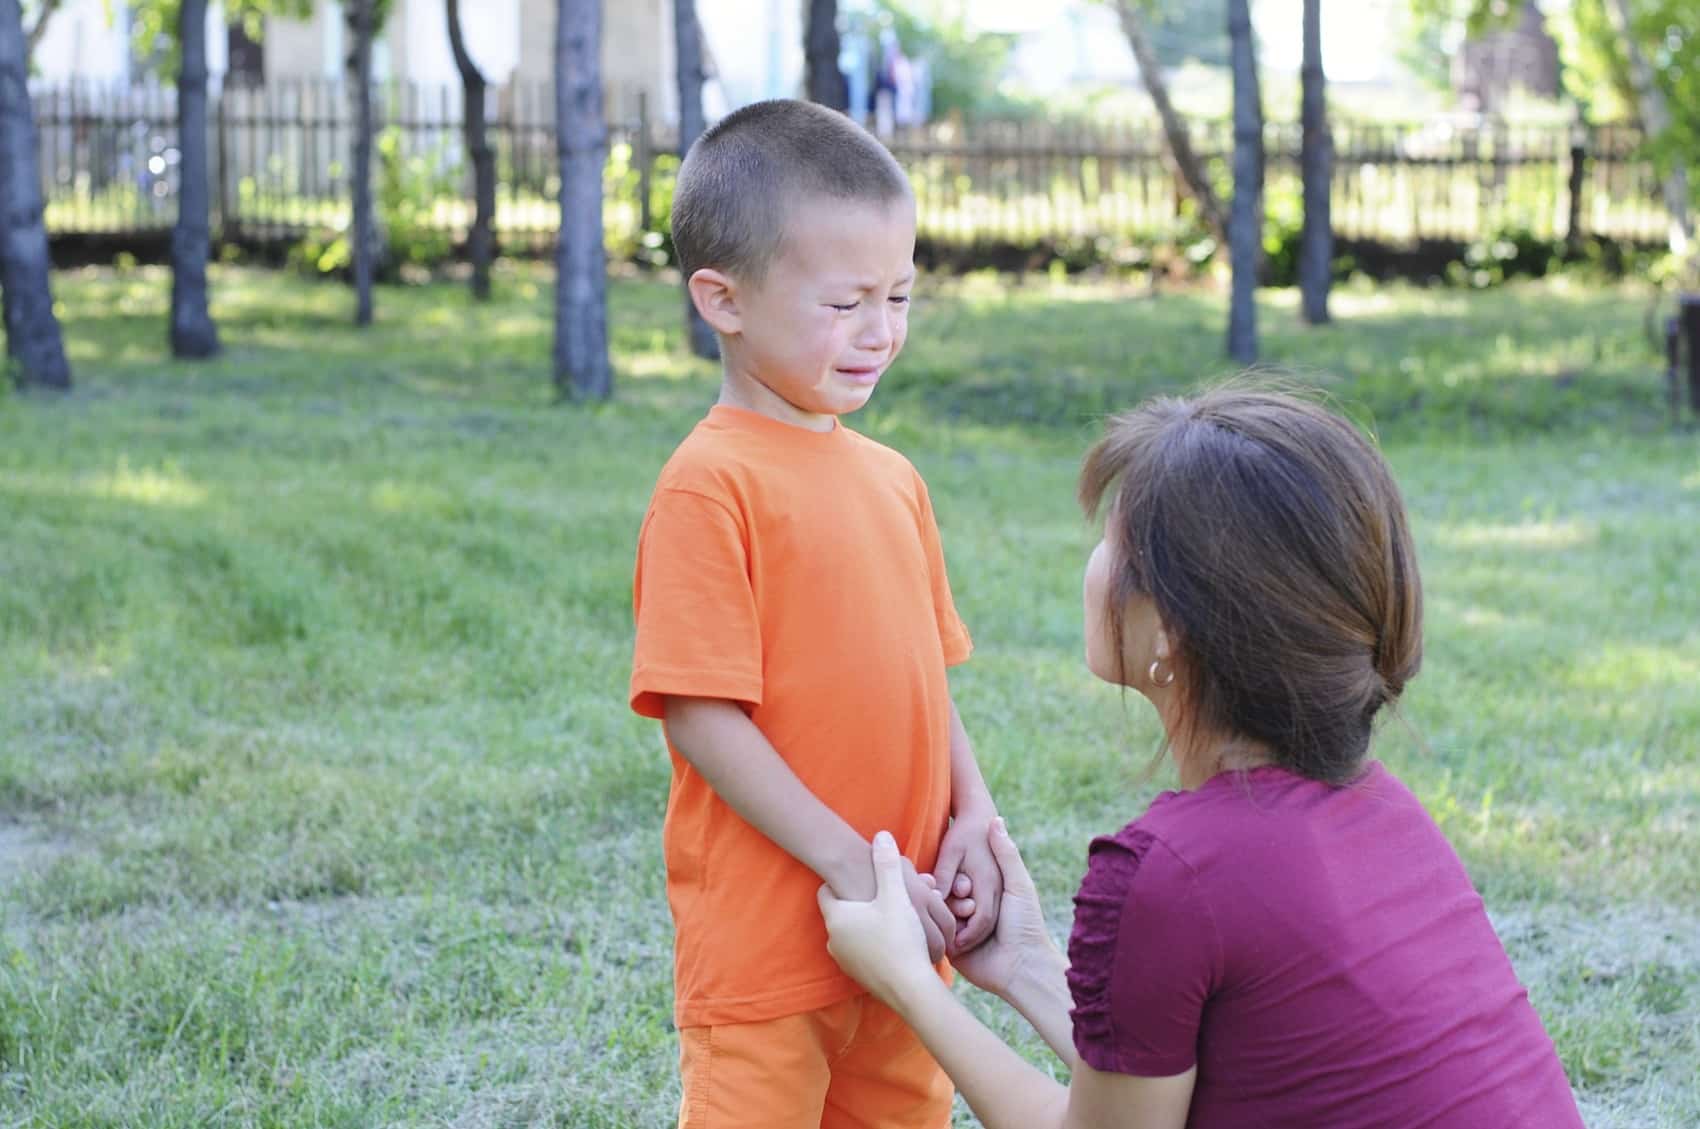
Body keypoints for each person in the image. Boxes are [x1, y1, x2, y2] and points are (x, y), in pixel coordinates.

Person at [819, 388, 1587, 1129]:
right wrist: (1023, 963)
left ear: (1172, 632)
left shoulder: (1171, 873)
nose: (1095, 563)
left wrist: (911, 984)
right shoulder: (1381, 809)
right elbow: (1170, 1091)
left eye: (1113, 542)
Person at [629, 98, 1003, 1129]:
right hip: (771, 948)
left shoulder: (892, 479)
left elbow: (927, 677)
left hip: (902, 936)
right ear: (724, 299)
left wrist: (973, 813)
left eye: (899, 295)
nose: (879, 332)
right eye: (844, 304)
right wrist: (850, 863)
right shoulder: (709, 487)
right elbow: (700, 716)